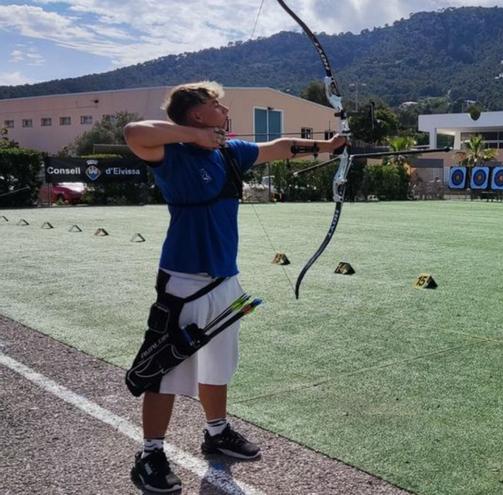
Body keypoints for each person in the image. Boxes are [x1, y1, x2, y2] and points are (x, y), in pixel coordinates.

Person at [124, 81, 346, 493]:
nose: (224, 110)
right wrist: (194, 137)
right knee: (164, 366)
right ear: (195, 114)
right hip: (184, 279)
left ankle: (217, 432)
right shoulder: (172, 153)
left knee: (218, 363)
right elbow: (133, 133)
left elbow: (278, 147)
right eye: (216, 105)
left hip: (225, 278)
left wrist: (328, 146)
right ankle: (150, 453)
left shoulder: (230, 152)